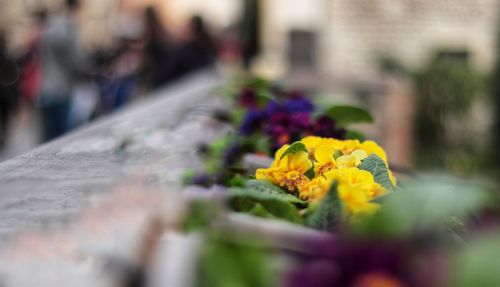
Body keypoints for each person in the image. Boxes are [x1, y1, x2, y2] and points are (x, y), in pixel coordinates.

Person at [39, 0, 86, 141]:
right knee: (62, 139)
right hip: (61, 91)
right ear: (75, 7)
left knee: (47, 141)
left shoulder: (49, 25)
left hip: (45, 90)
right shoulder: (68, 27)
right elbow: (76, 62)